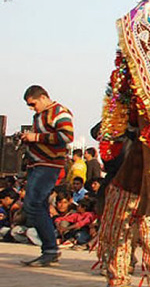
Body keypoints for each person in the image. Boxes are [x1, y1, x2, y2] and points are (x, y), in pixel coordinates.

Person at [19, 85, 74, 267]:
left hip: (49, 165)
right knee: (37, 204)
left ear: (43, 97)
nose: (32, 108)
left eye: (33, 104)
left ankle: (50, 248)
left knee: (33, 204)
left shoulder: (59, 112)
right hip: (38, 164)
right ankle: (49, 248)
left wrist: (36, 138)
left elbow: (67, 136)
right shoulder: (41, 115)